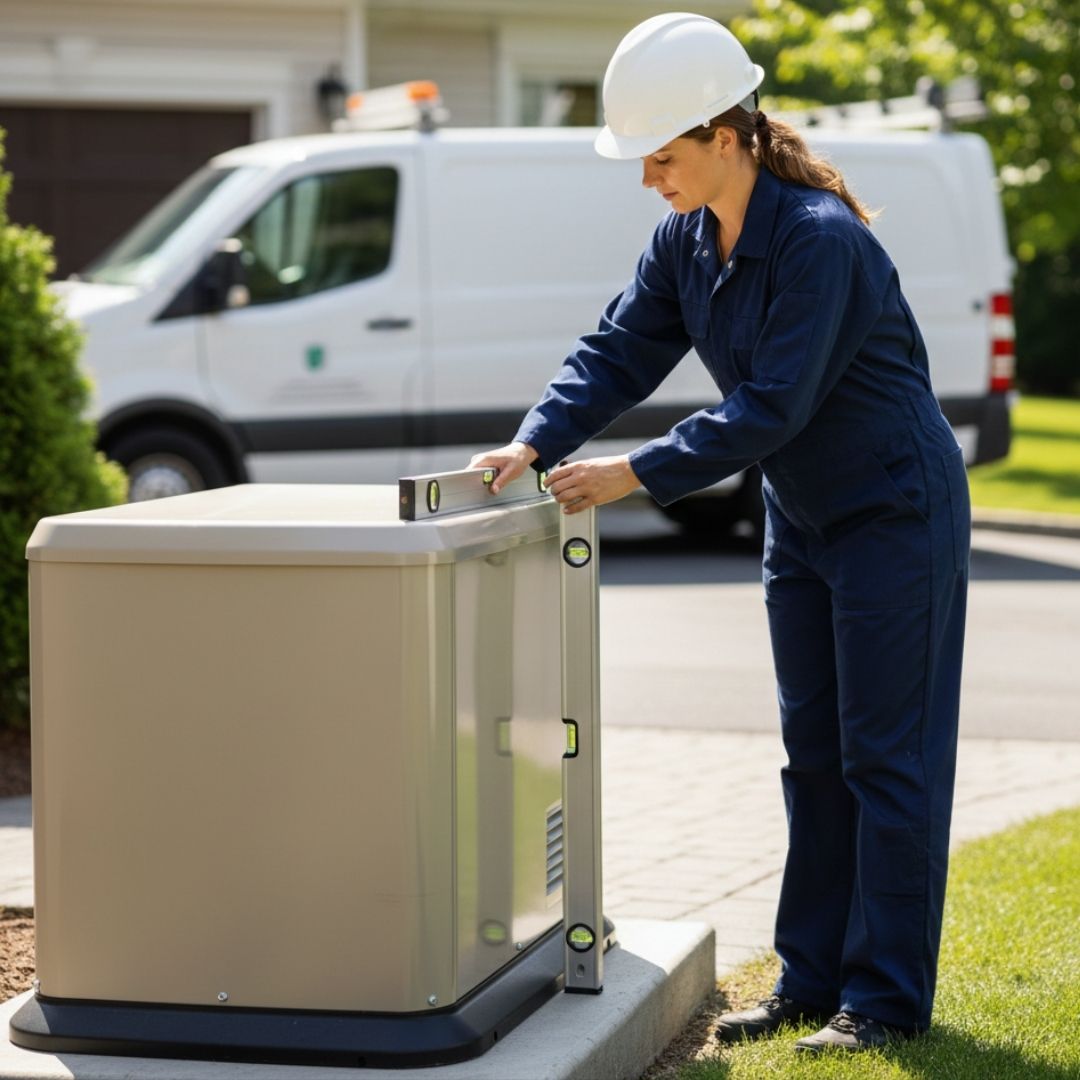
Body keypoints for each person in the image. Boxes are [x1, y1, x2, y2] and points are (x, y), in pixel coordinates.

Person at [471, 11, 970, 1054]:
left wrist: (635, 473)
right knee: (813, 757)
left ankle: (881, 1005)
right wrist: (531, 442)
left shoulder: (822, 241)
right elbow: (616, 352)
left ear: (727, 136)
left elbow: (771, 408)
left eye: (663, 157)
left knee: (888, 760)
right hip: (806, 518)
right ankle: (809, 982)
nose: (650, 178)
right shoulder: (685, 240)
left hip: (896, 515)